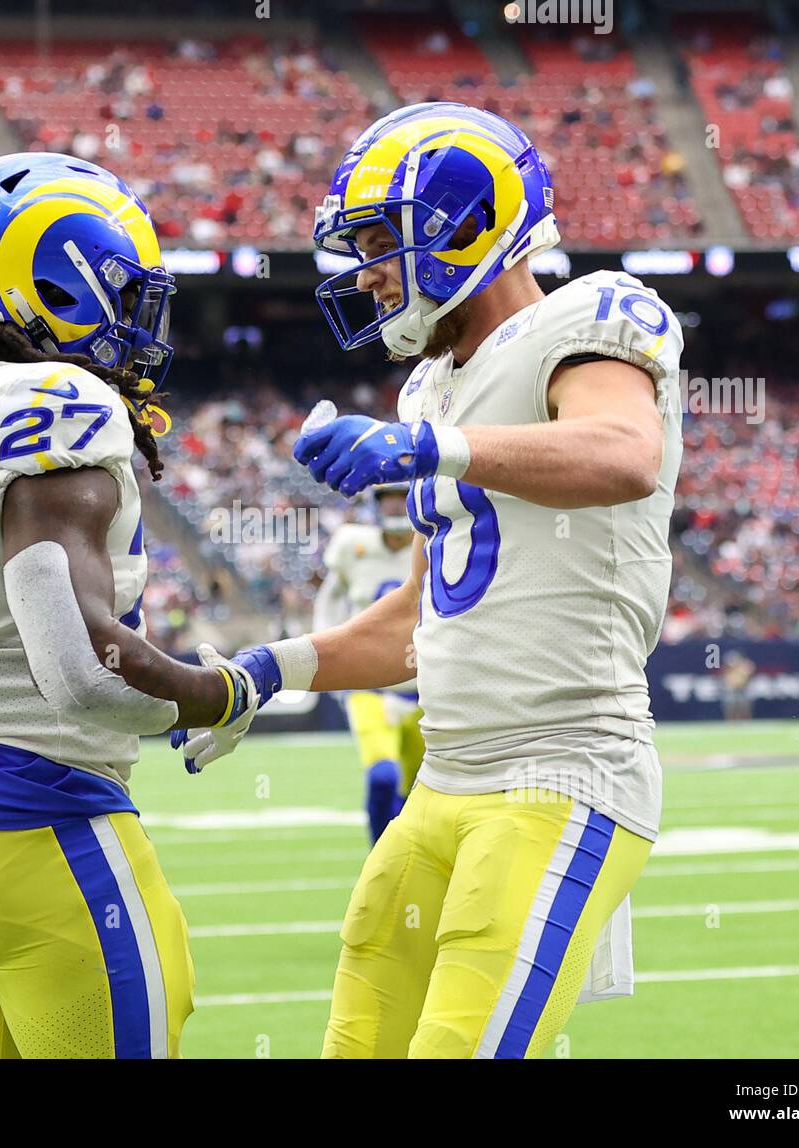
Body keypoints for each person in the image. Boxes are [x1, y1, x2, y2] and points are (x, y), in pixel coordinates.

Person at [174, 102, 684, 1059]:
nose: (365, 271)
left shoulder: (593, 314)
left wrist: (425, 448)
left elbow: (624, 453)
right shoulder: (429, 386)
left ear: (470, 224)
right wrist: (259, 673)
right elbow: (416, 620)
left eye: (379, 240)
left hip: (562, 768)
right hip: (446, 779)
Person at [0, 153, 261, 1059]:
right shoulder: (57, 402)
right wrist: (219, 693)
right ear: (53, 282)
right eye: (125, 294)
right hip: (44, 831)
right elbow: (79, 671)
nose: (141, 324)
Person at [312, 483, 422, 842]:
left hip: (424, 692)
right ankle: (380, 855)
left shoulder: (437, 544)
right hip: (369, 688)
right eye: (388, 499)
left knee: (419, 794)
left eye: (401, 498)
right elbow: (328, 603)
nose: (395, 507)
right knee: (382, 777)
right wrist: (323, 657)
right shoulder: (353, 545)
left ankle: (403, 862)